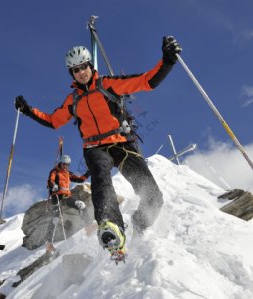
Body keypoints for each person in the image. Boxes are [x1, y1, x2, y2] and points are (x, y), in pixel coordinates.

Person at [14, 36, 182, 256]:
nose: (80, 72)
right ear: (71, 74)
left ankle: (140, 225)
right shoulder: (73, 99)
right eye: (75, 70)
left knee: (153, 197)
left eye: (83, 67)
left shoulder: (107, 84)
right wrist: (28, 110)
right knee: (101, 181)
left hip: (122, 142)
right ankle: (111, 228)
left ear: (90, 66)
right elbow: (54, 120)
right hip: (95, 148)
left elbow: (146, 81)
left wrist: (167, 60)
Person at [45, 154, 90, 253]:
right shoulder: (55, 171)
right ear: (60, 163)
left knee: (81, 205)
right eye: (64, 164)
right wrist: (53, 185)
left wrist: (89, 171)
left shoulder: (68, 173)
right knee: (55, 218)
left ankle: (88, 226)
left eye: (68, 165)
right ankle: (49, 244)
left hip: (66, 197)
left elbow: (80, 179)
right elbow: (49, 181)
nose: (66, 166)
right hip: (56, 197)